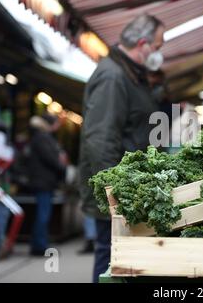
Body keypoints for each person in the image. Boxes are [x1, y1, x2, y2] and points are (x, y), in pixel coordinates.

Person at [79, 14, 165, 283]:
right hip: (115, 196)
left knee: (120, 260)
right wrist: (116, 195)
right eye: (159, 46)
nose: (160, 53)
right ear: (143, 44)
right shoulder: (113, 77)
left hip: (127, 190)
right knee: (111, 259)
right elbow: (101, 140)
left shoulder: (130, 75)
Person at [28, 113, 66, 256]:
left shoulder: (39, 137)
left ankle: (39, 244)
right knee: (43, 215)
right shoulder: (42, 138)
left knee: (42, 214)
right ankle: (39, 246)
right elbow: (51, 159)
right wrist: (62, 165)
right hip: (43, 181)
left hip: (42, 181)